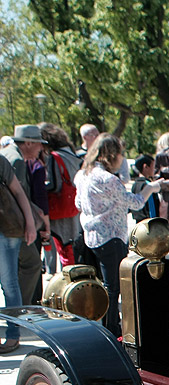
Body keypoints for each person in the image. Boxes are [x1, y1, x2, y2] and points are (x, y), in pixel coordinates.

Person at [75, 134, 162, 337]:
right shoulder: (107, 179)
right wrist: (151, 187)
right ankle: (111, 329)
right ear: (112, 154)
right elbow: (136, 202)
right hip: (111, 237)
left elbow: (78, 204)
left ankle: (106, 326)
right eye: (121, 153)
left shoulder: (82, 175)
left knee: (102, 285)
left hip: (91, 235)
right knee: (113, 287)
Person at [2, 124, 50, 305]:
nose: (41, 148)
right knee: (30, 265)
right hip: (11, 226)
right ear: (28, 143)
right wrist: (32, 221)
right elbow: (16, 195)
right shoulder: (16, 160)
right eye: (39, 144)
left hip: (10, 226)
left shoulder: (7, 154)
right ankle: (21, 312)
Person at [0, 154, 37, 353]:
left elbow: (18, 192)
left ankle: (13, 335)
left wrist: (30, 224)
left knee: (9, 283)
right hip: (8, 231)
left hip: (6, 229)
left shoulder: (0, 161)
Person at [39, 122, 82, 272]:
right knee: (71, 247)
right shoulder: (72, 154)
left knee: (61, 247)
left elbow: (53, 185)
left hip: (59, 209)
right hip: (73, 207)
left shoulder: (54, 157)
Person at [130, 154, 164, 221]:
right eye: (153, 167)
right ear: (145, 167)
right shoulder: (149, 186)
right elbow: (152, 210)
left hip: (138, 224)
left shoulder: (135, 185)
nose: (154, 170)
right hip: (149, 224)